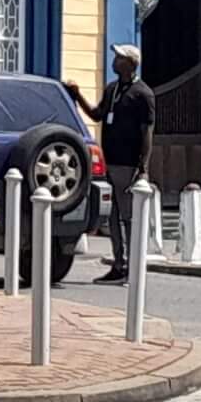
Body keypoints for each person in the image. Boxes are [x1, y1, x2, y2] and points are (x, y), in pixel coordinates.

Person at [68, 45, 155, 283]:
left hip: (128, 164)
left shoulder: (143, 94)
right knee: (113, 217)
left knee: (128, 217)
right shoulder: (112, 89)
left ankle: (131, 268)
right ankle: (119, 263)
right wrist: (77, 96)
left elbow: (147, 131)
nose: (114, 61)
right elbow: (97, 114)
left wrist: (143, 168)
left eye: (118, 58)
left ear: (130, 63)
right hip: (110, 161)